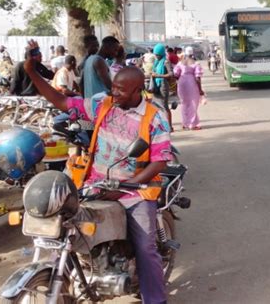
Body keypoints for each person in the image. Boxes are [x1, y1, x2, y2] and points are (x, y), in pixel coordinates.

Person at [23, 40, 172, 304]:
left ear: (137, 90)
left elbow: (159, 161)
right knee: (65, 227)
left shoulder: (154, 116)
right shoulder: (103, 104)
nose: (113, 93)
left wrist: (126, 187)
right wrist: (32, 72)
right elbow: (61, 100)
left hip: (135, 192)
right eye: (113, 87)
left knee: (146, 248)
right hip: (95, 184)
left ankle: (156, 300)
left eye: (120, 91)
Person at [174, 46, 204, 130]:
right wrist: (200, 89)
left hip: (182, 83)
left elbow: (176, 74)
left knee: (184, 104)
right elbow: (198, 78)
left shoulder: (180, 63)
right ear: (192, 53)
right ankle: (193, 124)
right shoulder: (195, 63)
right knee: (193, 104)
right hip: (192, 83)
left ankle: (185, 123)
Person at [83, 36, 119, 101]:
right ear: (107, 47)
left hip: (90, 102)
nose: (116, 53)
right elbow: (109, 85)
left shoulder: (89, 59)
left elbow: (81, 83)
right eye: (115, 50)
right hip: (99, 103)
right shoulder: (99, 61)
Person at [151, 43, 174, 132]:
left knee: (164, 107)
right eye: (155, 54)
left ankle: (170, 127)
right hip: (156, 86)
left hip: (163, 87)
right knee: (155, 107)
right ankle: (159, 126)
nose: (156, 55)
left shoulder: (166, 61)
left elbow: (171, 74)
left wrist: (159, 76)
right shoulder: (156, 62)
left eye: (157, 54)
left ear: (161, 53)